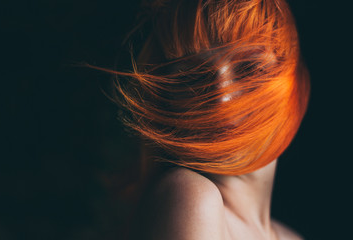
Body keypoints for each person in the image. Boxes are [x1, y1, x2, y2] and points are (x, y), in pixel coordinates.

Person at [90, 0, 310, 239]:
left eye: (250, 69)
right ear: (167, 98)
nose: (222, 99)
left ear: (294, 82)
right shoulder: (193, 200)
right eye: (194, 76)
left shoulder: (291, 237)